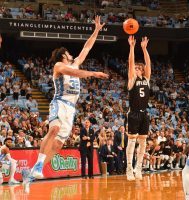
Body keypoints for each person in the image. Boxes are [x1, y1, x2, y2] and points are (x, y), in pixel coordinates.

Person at [22, 16, 109, 188]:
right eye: (69, 53)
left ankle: (31, 173)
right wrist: (93, 73)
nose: (72, 54)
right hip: (60, 102)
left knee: (59, 145)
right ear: (63, 55)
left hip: (71, 109)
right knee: (53, 129)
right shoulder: (59, 67)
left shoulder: (75, 64)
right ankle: (39, 164)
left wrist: (97, 30)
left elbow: (87, 47)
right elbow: (75, 73)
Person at [125, 36, 151, 181]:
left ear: (142, 70)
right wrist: (132, 47)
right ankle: (129, 168)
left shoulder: (146, 79)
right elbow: (130, 63)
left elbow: (148, 63)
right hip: (133, 113)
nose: (135, 69)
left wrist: (144, 49)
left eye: (138, 68)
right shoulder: (132, 80)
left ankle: (139, 168)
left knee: (143, 142)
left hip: (144, 114)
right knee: (131, 141)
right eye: (134, 68)